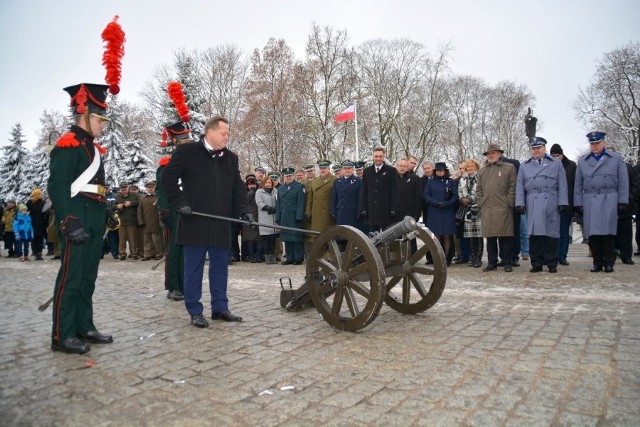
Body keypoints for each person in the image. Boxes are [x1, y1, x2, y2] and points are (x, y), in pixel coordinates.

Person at [162, 116, 251, 327]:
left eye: (228, 133)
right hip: (195, 220)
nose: (227, 137)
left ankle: (220, 308)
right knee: (193, 269)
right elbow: (168, 179)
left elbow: (237, 187)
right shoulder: (187, 152)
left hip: (220, 222)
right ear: (209, 132)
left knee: (220, 267)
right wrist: (180, 202)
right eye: (224, 133)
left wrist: (244, 210)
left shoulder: (231, 158)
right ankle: (194, 310)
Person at [48, 82, 117, 354]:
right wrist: (69, 220)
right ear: (85, 115)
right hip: (77, 218)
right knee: (71, 278)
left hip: (93, 216)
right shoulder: (69, 144)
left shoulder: (91, 147)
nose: (104, 125)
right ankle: (61, 334)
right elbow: (58, 187)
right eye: (101, 119)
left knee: (88, 278)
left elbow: (93, 188)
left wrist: (106, 210)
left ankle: (83, 326)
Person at [574, 131, 629, 273]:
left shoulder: (615, 159)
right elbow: (578, 184)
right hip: (590, 200)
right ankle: (597, 262)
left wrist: (623, 200)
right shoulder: (583, 161)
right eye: (592, 143)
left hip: (609, 198)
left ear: (604, 143)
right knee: (593, 234)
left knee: (608, 233)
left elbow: (623, 181)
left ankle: (609, 262)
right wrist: (578, 203)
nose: (595, 146)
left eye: (597, 143)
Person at [516, 137, 568, 273]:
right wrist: (520, 203)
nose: (536, 150)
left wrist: (563, 202)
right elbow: (519, 186)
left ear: (544, 148)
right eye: (534, 148)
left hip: (550, 200)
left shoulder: (555, 163)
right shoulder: (524, 166)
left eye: (538, 147)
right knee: (534, 234)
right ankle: (537, 263)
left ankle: (552, 263)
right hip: (532, 201)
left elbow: (562, 184)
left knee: (551, 234)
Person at [156, 120, 194, 302]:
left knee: (187, 249)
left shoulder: (193, 163)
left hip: (190, 212)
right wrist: (164, 210)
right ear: (176, 143)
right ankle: (173, 286)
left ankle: (184, 283)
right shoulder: (167, 165)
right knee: (174, 250)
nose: (187, 142)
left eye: (188, 138)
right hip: (173, 211)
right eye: (183, 140)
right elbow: (162, 189)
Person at [476, 143, 517, 272]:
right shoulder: (482, 170)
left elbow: (513, 186)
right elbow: (479, 189)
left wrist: (509, 201)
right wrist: (481, 202)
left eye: (493, 152)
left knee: (505, 237)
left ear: (500, 154)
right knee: (490, 237)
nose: (491, 155)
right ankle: (491, 262)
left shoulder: (509, 168)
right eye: (488, 153)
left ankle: (507, 262)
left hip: (504, 207)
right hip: (487, 208)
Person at [423, 162, 459, 265]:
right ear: (435, 171)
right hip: (434, 211)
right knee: (436, 235)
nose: (439, 172)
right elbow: (426, 195)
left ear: (445, 171)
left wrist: (447, 203)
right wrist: (436, 203)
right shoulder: (431, 182)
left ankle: (447, 259)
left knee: (447, 235)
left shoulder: (451, 181)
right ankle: (437, 259)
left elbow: (455, 196)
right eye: (437, 170)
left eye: (441, 170)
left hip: (447, 211)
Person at [359, 147, 399, 233]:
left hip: (386, 210)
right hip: (372, 210)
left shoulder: (391, 171)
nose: (378, 158)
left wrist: (393, 208)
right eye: (376, 156)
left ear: (383, 157)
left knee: (388, 236)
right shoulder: (367, 171)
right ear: (373, 157)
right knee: (373, 238)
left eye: (380, 156)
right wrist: (363, 208)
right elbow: (364, 191)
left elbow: (394, 191)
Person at [549, 143, 577, 265]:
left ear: (562, 154)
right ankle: (551, 256)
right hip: (551, 204)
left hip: (567, 204)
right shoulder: (547, 165)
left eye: (558, 155)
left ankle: (562, 256)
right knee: (551, 232)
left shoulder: (571, 165)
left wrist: (576, 204)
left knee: (564, 232)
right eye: (553, 155)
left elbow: (576, 185)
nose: (556, 157)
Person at [275, 167, 306, 265]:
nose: (288, 177)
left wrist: (299, 216)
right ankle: (289, 257)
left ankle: (298, 258)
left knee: (296, 237)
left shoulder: (299, 187)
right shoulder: (280, 189)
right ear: (284, 177)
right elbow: (278, 204)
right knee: (287, 238)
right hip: (284, 215)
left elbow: (301, 202)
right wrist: (278, 217)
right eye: (286, 176)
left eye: (290, 176)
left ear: (293, 176)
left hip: (294, 215)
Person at [458, 159, 483, 268]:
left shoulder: (481, 178)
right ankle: (472, 257)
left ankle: (478, 258)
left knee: (479, 235)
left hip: (478, 209)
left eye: (472, 166)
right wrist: (462, 199)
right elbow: (459, 191)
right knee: (470, 236)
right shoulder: (463, 179)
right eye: (468, 167)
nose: (470, 168)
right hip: (467, 209)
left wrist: (471, 199)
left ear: (476, 167)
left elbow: (482, 191)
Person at [305, 160, 336, 244]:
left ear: (329, 169)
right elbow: (310, 198)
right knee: (317, 237)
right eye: (321, 168)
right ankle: (318, 256)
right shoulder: (314, 181)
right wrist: (308, 212)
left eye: (324, 168)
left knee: (328, 236)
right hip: (316, 213)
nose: (322, 170)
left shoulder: (334, 180)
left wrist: (335, 212)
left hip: (328, 213)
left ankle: (329, 256)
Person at [330, 160, 362, 230]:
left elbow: (360, 198)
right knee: (341, 235)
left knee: (352, 235)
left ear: (353, 170)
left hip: (352, 213)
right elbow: (334, 198)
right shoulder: (337, 182)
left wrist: (359, 212)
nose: (347, 170)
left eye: (349, 168)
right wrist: (333, 212)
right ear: (342, 170)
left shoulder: (358, 181)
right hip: (340, 213)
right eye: (345, 168)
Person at [138, 181, 163, 261]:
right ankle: (147, 254)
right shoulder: (142, 198)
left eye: (152, 187)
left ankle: (158, 254)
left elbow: (161, 210)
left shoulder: (158, 197)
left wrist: (160, 221)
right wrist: (140, 221)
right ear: (146, 189)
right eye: (149, 188)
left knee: (157, 240)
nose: (150, 189)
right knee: (146, 240)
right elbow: (139, 210)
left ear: (154, 188)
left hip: (155, 222)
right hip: (145, 222)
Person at [255, 176, 279, 264]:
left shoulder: (275, 191)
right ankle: (267, 256)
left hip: (273, 218)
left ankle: (272, 256)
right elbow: (259, 203)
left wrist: (275, 208)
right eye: (266, 183)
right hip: (265, 217)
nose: (268, 184)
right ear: (263, 183)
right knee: (266, 239)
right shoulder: (259, 191)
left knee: (273, 239)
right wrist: (268, 208)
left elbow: (278, 201)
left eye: (270, 183)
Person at [115, 183, 139, 260]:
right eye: (122, 190)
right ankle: (122, 253)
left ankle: (134, 253)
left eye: (125, 189)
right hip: (121, 221)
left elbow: (139, 202)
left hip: (132, 220)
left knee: (133, 238)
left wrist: (131, 203)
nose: (124, 191)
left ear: (128, 188)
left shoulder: (134, 195)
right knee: (122, 239)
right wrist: (117, 206)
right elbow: (113, 206)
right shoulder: (118, 196)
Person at [242, 176, 261, 262]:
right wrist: (251, 192)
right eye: (249, 184)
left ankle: (258, 256)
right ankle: (251, 256)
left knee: (258, 238)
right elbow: (244, 200)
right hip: (248, 216)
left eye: (253, 184)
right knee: (249, 238)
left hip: (258, 216)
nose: (251, 186)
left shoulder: (259, 190)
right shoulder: (245, 191)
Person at [26, 188, 48, 260]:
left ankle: (39, 253)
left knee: (39, 239)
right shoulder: (30, 202)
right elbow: (24, 211)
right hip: (34, 223)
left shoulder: (42, 202)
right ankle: (36, 253)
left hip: (40, 223)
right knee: (35, 239)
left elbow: (46, 212)